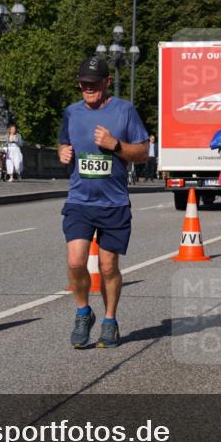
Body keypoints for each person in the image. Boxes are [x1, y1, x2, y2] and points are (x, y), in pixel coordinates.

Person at [58, 56, 149, 347]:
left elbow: (144, 152)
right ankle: (83, 312)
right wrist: (62, 152)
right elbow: (63, 141)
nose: (88, 89)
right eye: (84, 84)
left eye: (94, 84)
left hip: (114, 203)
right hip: (80, 200)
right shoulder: (71, 113)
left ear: (107, 82)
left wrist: (117, 145)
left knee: (108, 267)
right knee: (76, 261)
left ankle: (109, 319)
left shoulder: (125, 111)